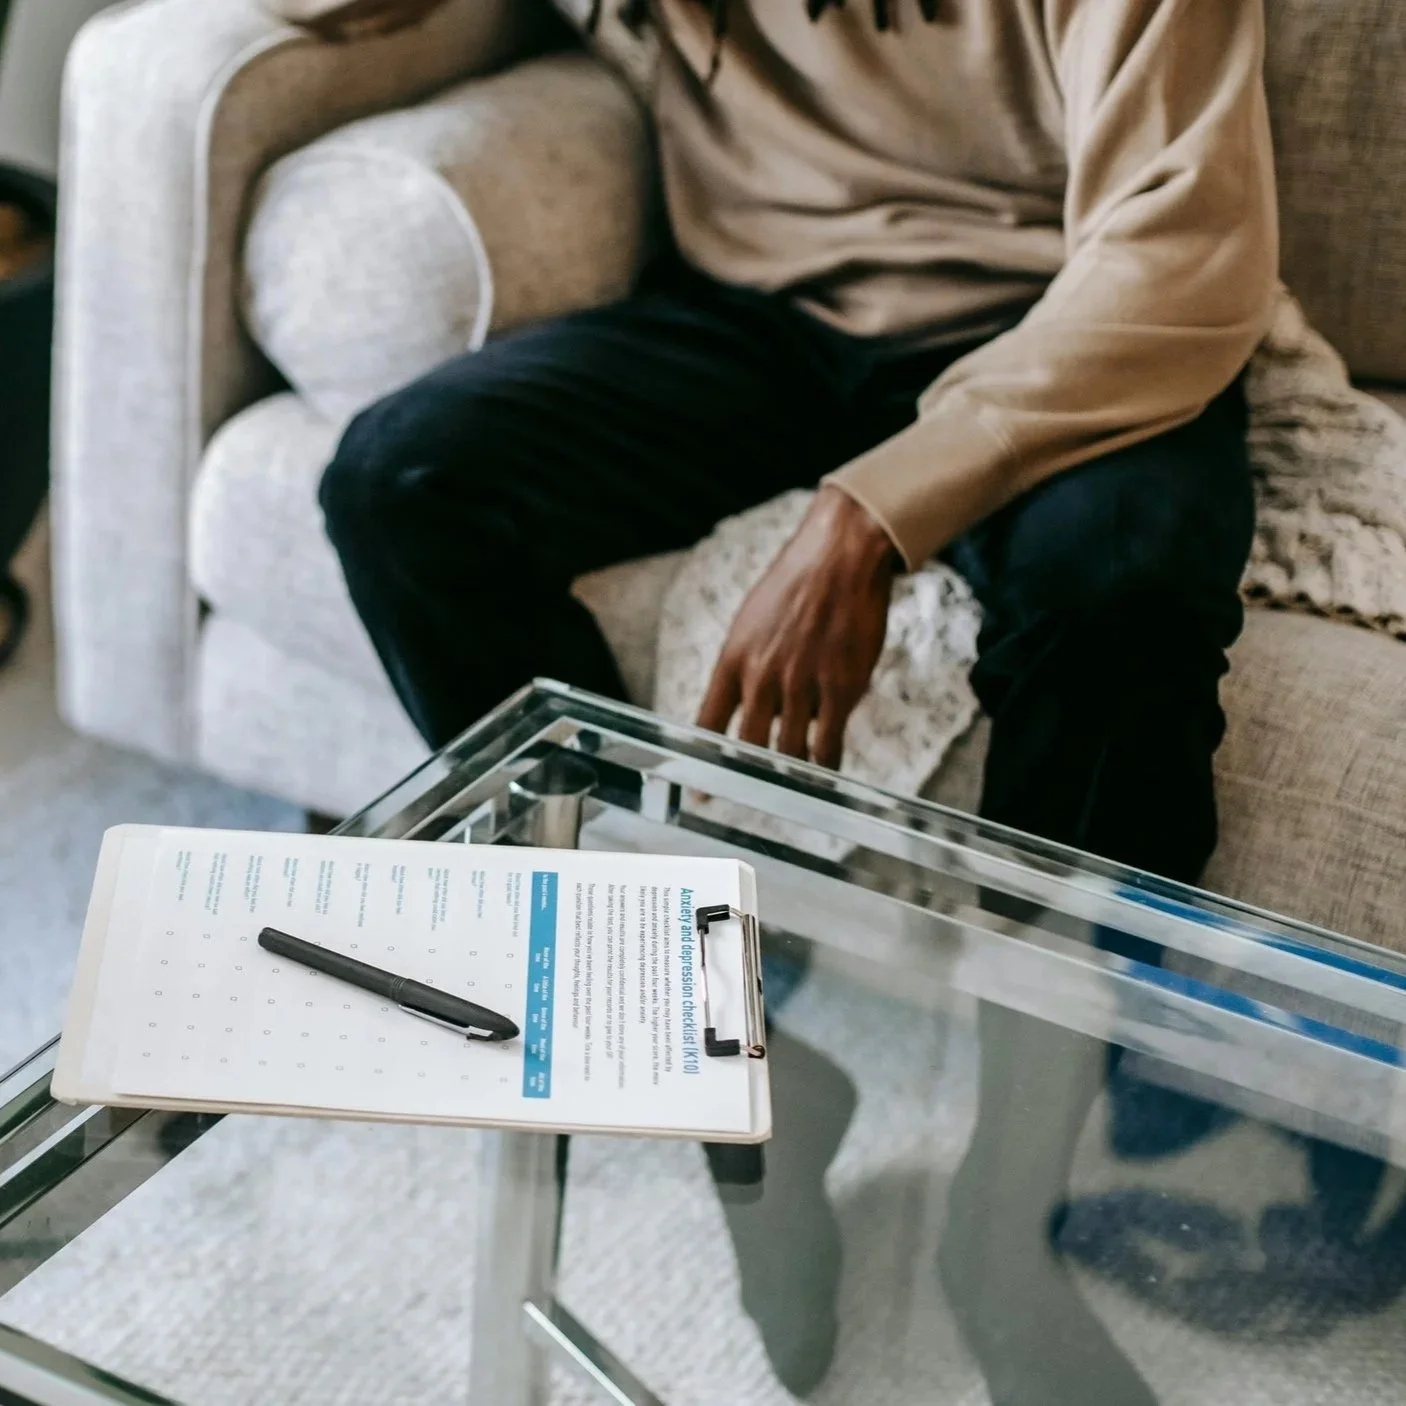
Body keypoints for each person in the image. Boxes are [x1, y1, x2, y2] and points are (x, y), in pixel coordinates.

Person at [304, 1, 1278, 1399]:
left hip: (1060, 320)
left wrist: (865, 519)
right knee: (399, 488)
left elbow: (1183, 257)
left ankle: (1008, 1221)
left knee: (1121, 605)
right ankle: (725, 1067)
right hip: (756, 323)